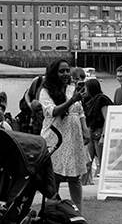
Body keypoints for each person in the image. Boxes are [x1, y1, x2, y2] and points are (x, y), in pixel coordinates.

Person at [38, 59, 90, 207]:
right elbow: (52, 111)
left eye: (67, 70)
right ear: (54, 73)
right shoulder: (45, 91)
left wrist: (85, 128)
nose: (66, 74)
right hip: (56, 137)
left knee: (75, 177)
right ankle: (52, 211)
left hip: (73, 137)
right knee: (55, 176)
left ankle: (78, 212)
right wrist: (72, 100)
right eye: (62, 71)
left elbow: (79, 110)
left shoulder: (72, 88)